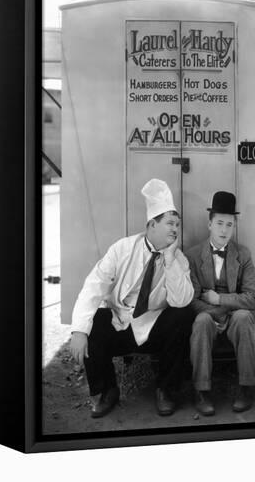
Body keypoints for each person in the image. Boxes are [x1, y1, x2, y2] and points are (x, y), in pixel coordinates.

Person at [70, 178, 194, 418]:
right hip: (122, 324)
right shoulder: (122, 249)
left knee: (183, 314)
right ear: (152, 225)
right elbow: (93, 286)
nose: (175, 229)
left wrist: (169, 259)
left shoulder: (178, 260)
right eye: (170, 223)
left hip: (153, 328)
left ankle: (166, 391)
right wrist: (78, 331)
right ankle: (107, 390)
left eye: (177, 225)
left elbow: (182, 300)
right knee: (92, 321)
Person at [186, 191, 255, 416]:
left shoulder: (243, 254)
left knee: (245, 317)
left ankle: (247, 388)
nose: (224, 230)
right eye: (219, 223)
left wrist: (220, 300)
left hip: (234, 313)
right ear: (209, 224)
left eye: (229, 224)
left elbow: (253, 298)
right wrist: (214, 311)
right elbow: (192, 299)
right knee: (200, 322)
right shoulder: (192, 255)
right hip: (207, 314)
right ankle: (202, 391)